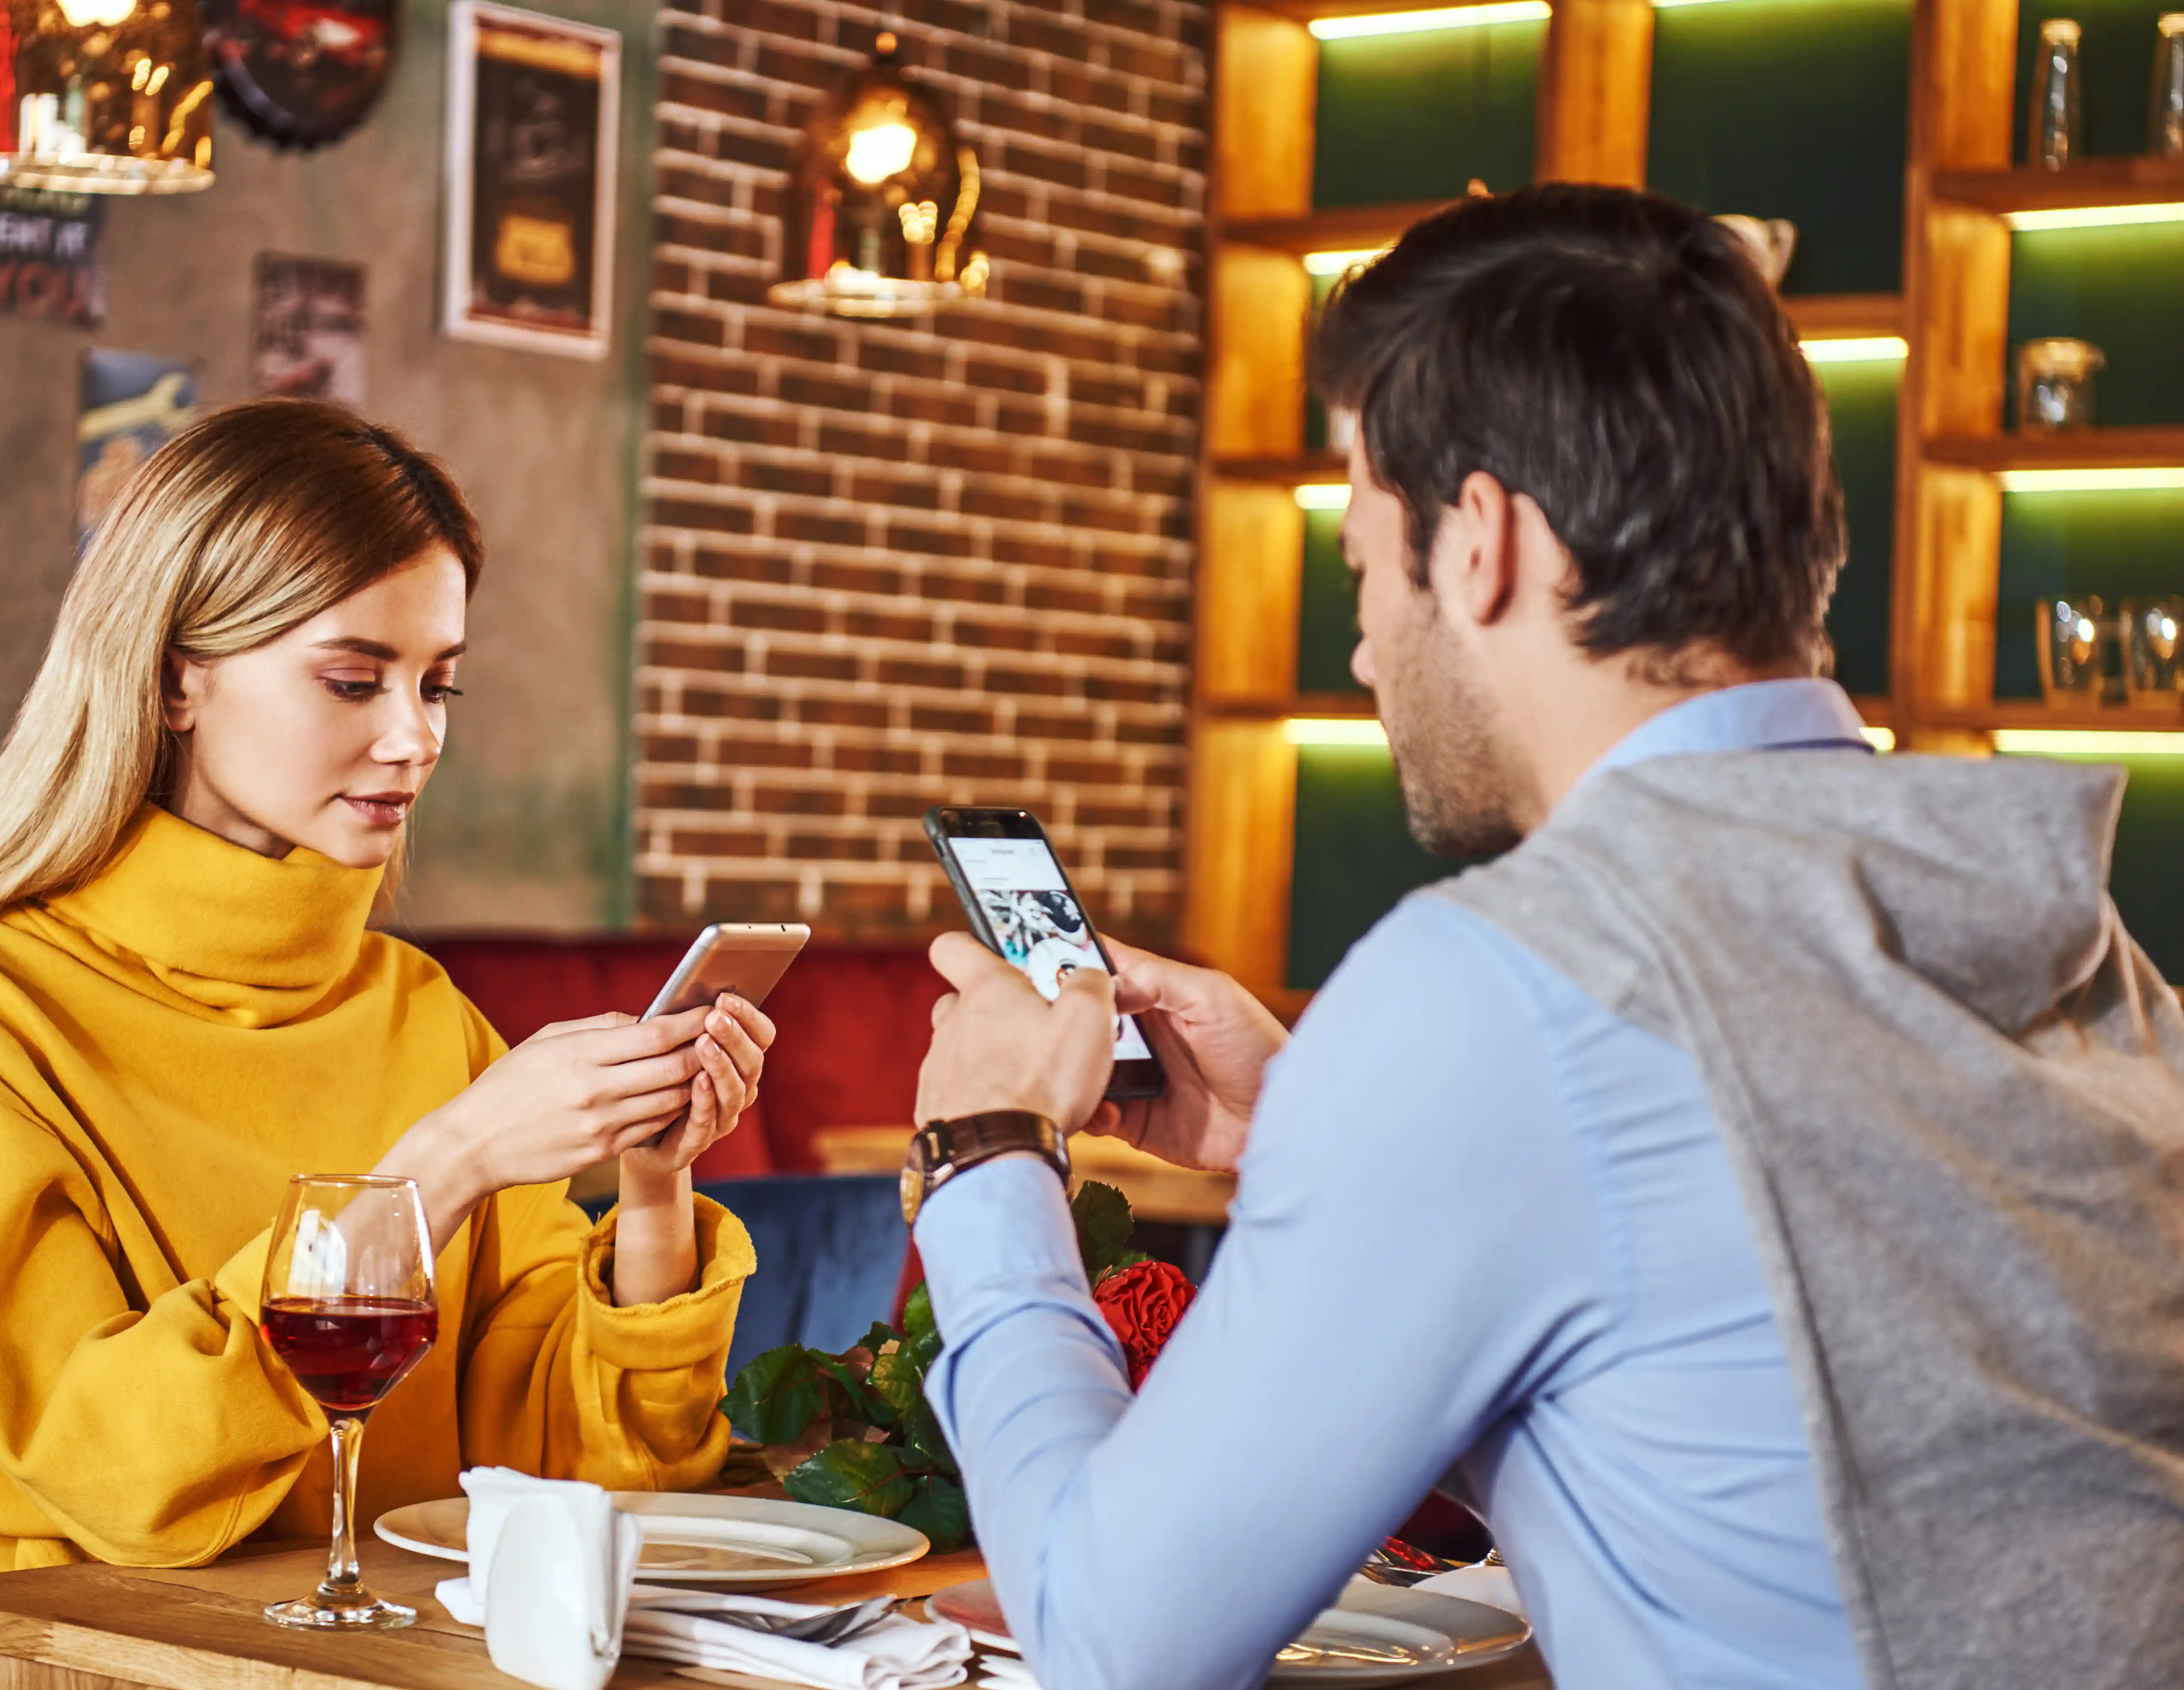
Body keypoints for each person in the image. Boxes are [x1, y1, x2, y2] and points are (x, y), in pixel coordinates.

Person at [904, 185, 2184, 1690]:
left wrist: (985, 1156)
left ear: (1484, 542)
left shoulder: (1507, 990)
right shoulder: (2078, 943)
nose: (1368, 643)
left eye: (1365, 565)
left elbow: (1113, 1635)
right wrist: (1327, 1126)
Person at [0, 402, 770, 1690]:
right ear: (176, 675)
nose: (413, 736)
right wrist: (448, 1160)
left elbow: (572, 1487)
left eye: (438, 683)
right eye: (354, 679)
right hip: (18, 1668)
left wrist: (653, 1179)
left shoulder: (422, 1011)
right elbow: (114, 1473)